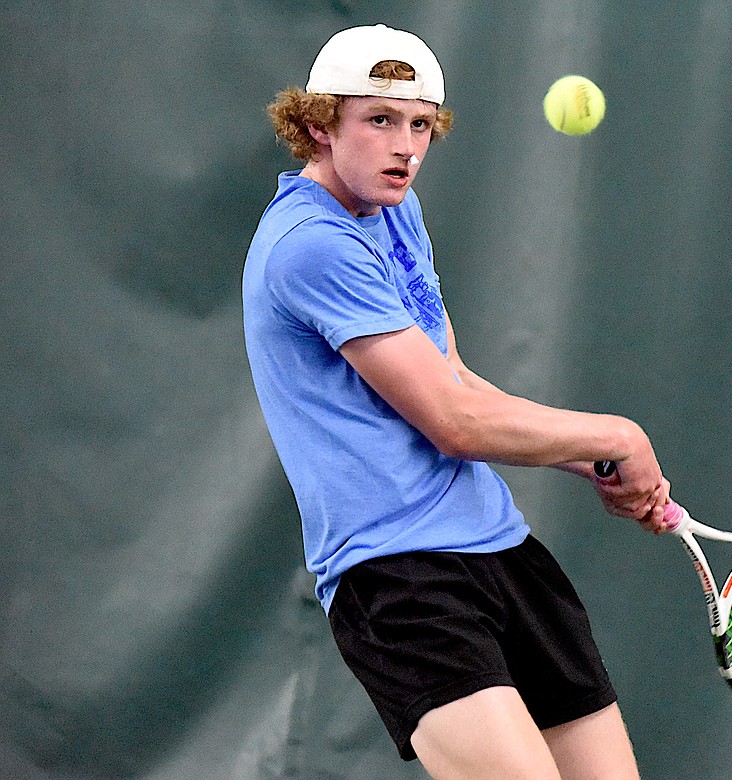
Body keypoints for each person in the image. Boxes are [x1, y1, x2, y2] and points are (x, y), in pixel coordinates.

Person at [242, 24, 670, 779]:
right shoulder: (310, 245)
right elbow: (453, 423)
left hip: (501, 548)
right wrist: (621, 433)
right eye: (378, 120)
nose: (404, 146)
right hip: (400, 582)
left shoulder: (393, 210)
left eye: (418, 125)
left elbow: (455, 381)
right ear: (317, 123)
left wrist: (590, 458)